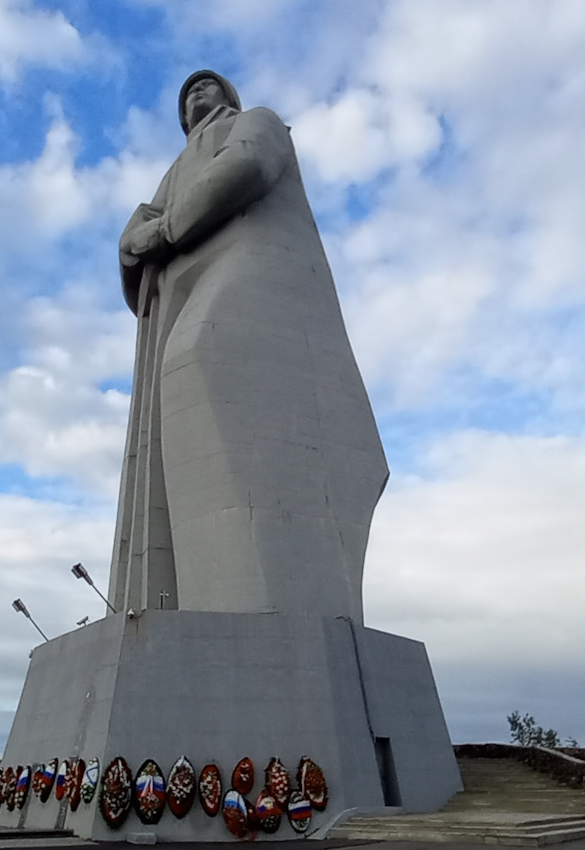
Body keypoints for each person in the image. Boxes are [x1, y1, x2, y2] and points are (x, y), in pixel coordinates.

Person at [108, 71, 388, 623]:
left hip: (252, 265)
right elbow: (129, 239)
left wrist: (161, 232)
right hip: (183, 283)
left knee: (198, 358)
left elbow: (246, 165)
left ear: (229, 95)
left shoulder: (257, 121)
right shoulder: (171, 176)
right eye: (186, 93)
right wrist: (141, 237)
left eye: (206, 85)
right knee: (178, 400)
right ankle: (193, 603)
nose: (195, 93)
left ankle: (265, 598)